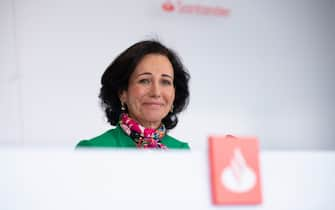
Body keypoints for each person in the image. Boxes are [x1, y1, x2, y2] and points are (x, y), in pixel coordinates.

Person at [76, 40, 190, 149]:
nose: (156, 92)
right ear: (122, 92)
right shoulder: (93, 149)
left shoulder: (181, 150)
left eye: (165, 82)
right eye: (144, 80)